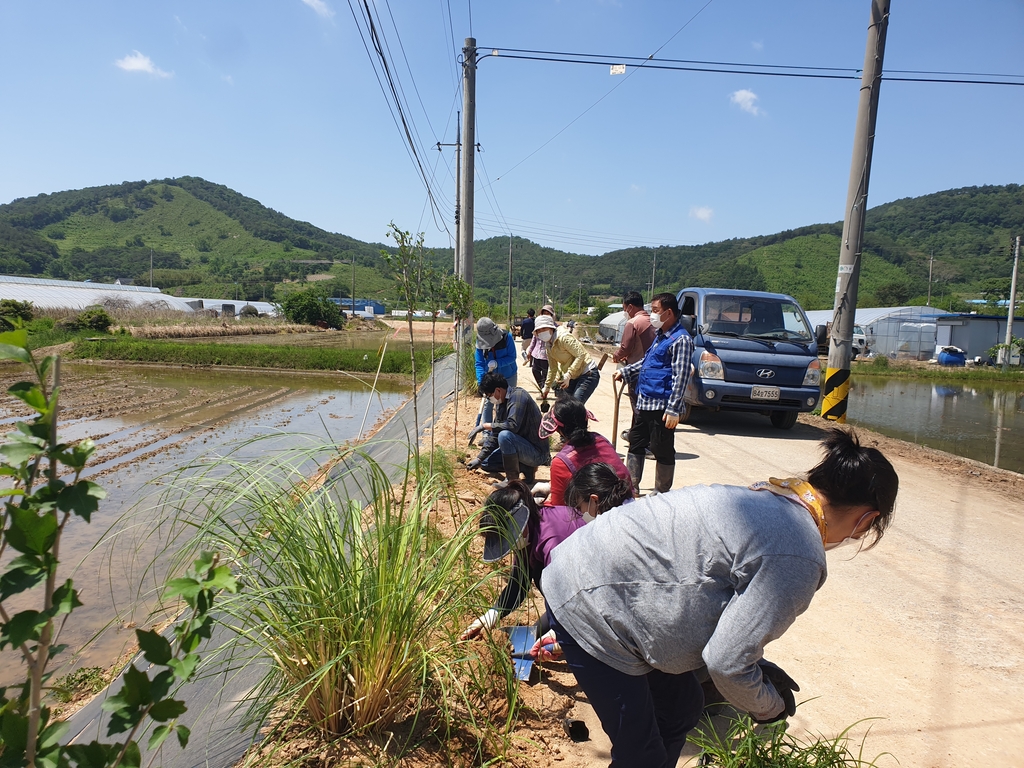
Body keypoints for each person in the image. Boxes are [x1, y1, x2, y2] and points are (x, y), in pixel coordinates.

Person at [541, 428, 900, 768]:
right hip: (588, 607)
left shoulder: (769, 496)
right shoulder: (801, 554)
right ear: (866, 520)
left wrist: (755, 668)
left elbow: (722, 612)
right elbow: (726, 663)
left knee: (682, 706)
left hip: (588, 573)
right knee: (640, 753)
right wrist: (769, 708)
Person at [461, 463, 635, 642]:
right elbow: (519, 583)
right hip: (573, 591)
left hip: (600, 593)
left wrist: (554, 633)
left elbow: (572, 598)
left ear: (521, 522)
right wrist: (491, 615)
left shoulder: (551, 541)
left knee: (546, 583)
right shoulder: (530, 529)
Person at [613, 292, 693, 495]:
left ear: (668, 313)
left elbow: (681, 375)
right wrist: (626, 371)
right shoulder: (660, 336)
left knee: (661, 448)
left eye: (656, 311)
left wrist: (674, 408)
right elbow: (647, 363)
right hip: (645, 402)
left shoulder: (680, 340)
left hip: (663, 406)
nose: (652, 315)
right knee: (636, 442)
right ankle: (632, 486)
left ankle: (661, 492)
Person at [539, 393, 632, 508]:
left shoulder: (561, 463)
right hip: (629, 506)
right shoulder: (601, 440)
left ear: (558, 429)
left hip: (599, 517)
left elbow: (559, 508)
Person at [468, 372, 549, 486]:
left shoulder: (518, 397)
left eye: (489, 395)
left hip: (536, 452)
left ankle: (512, 480)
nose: (489, 399)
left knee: (505, 435)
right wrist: (479, 459)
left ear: (498, 390)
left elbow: (513, 426)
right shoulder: (501, 403)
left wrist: (485, 426)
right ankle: (526, 468)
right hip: (520, 447)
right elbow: (495, 435)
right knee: (486, 463)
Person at [612, 291, 656, 439]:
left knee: (638, 406)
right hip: (653, 370)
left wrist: (616, 356)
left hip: (637, 370)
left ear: (630, 307)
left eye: (624, 308)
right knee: (645, 405)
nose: (624, 312)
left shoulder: (633, 323)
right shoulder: (652, 321)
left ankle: (642, 440)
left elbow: (626, 348)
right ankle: (635, 434)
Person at [535, 314, 600, 405]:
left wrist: (569, 374)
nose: (541, 332)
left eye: (544, 329)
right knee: (563, 405)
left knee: (575, 406)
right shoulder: (548, 345)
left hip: (587, 373)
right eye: (539, 331)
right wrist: (547, 386)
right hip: (573, 376)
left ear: (551, 328)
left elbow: (580, 355)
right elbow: (553, 368)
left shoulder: (564, 338)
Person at [475, 316, 518, 429]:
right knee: (488, 404)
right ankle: (486, 433)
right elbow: (479, 363)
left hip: (509, 375)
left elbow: (512, 357)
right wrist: (481, 382)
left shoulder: (506, 337)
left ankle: (504, 429)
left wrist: (497, 363)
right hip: (491, 377)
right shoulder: (479, 343)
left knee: (507, 402)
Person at [523, 305, 555, 390]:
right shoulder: (539, 324)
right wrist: (530, 351)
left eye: (548, 314)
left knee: (545, 373)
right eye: (544, 313)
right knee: (535, 370)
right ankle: (542, 387)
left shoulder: (553, 327)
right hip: (537, 353)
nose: (545, 315)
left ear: (551, 315)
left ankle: (545, 389)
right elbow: (534, 339)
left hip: (547, 355)